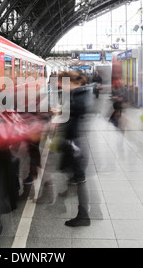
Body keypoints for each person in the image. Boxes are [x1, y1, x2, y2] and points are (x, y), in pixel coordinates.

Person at [51, 71, 91, 227]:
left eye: (61, 83)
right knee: (75, 174)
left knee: (80, 178)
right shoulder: (77, 93)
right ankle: (70, 190)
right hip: (74, 141)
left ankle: (83, 216)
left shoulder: (80, 95)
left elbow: (76, 111)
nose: (59, 86)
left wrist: (61, 113)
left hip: (76, 143)